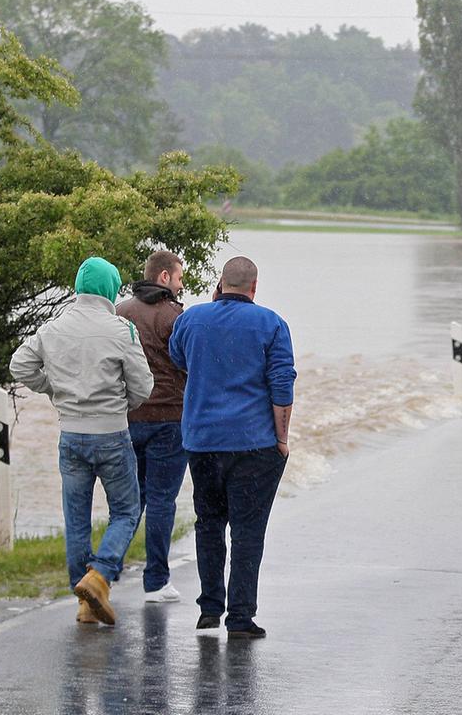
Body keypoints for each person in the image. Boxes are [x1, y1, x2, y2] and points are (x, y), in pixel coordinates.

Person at [10, 256, 152, 626]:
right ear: (110, 289)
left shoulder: (53, 328)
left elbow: (19, 366)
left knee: (76, 518)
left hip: (71, 435)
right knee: (126, 510)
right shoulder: (121, 330)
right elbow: (144, 386)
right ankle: (100, 575)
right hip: (111, 435)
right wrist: (122, 406)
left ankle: (85, 602)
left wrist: (53, 389)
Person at [169, 256, 296, 639]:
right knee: (247, 530)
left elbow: (179, 358)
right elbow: (282, 387)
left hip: (202, 441)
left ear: (220, 284)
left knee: (208, 523)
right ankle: (240, 617)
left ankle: (209, 607)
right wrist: (282, 440)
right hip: (253, 444)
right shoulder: (272, 324)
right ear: (254, 288)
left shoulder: (191, 319)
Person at [116, 250, 189, 603]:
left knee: (131, 500)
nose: (180, 284)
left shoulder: (121, 313)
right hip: (169, 420)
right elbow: (187, 364)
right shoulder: (173, 316)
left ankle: (106, 570)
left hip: (127, 418)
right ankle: (156, 581)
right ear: (163, 278)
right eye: (178, 278)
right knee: (162, 500)